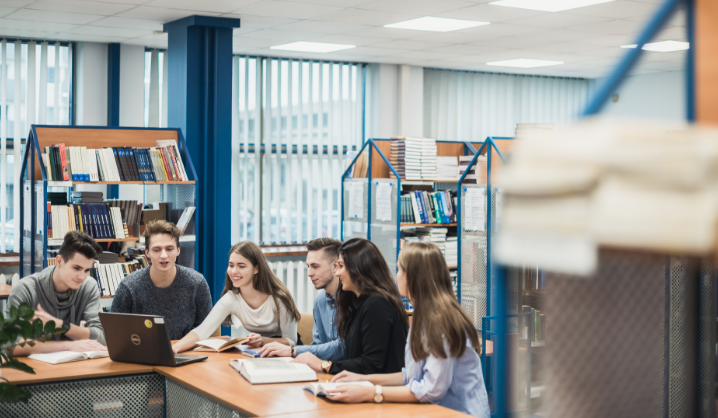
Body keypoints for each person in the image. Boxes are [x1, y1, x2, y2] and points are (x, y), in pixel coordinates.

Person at [325, 242, 490, 418]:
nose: (396, 276)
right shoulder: (423, 313)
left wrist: (372, 392)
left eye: (399, 270)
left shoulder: (440, 320)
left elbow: (431, 390)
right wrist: (362, 379)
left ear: (412, 276)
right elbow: (410, 376)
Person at [293, 238, 408, 375]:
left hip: (379, 390)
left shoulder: (377, 305)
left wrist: (325, 365)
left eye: (341, 266)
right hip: (359, 383)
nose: (337, 273)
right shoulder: (358, 303)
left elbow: (371, 365)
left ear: (358, 268)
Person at [172, 241, 301, 352]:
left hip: (286, 352)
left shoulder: (278, 298)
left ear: (256, 269)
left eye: (241, 266)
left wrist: (262, 340)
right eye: (231, 265)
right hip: (259, 350)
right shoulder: (232, 298)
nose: (233, 271)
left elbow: (291, 341)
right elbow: (203, 330)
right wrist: (174, 349)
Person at [8, 231, 107, 356]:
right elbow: (9, 344)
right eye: (76, 268)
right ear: (59, 261)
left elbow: (101, 336)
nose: (82, 276)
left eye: (87, 270)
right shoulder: (25, 289)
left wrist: (61, 325)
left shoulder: (89, 286)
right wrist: (67, 346)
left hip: (72, 366)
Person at [111, 220, 213, 340]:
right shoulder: (128, 286)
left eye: (169, 249)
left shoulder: (197, 283)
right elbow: (115, 332)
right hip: (141, 354)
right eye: (157, 250)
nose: (163, 255)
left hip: (186, 353)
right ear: (147, 253)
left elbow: (206, 329)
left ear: (178, 250)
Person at [257, 238, 345, 360]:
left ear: (335, 266)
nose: (309, 273)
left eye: (315, 266)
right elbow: (318, 347)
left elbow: (344, 348)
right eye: (308, 266)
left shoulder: (352, 299)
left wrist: (293, 351)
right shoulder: (319, 301)